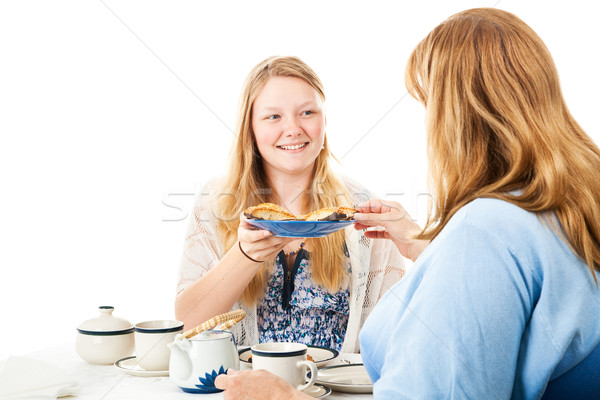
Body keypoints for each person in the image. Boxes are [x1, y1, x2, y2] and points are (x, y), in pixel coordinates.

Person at [215, 8, 600, 400]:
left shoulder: (485, 231)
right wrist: (429, 247)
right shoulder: (569, 207)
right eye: (273, 116)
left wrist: (282, 396)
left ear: (455, 116)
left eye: (428, 103)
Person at [175, 56, 405, 353]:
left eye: (307, 112)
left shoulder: (359, 210)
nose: (294, 128)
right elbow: (186, 326)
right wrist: (245, 255)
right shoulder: (214, 204)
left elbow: (393, 334)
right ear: (250, 128)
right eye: (274, 117)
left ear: (325, 121)